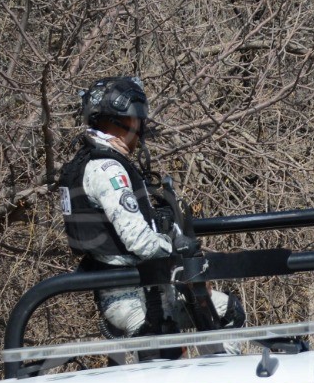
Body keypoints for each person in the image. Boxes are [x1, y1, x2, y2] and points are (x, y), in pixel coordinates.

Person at [57, 75, 240, 340]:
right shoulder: (107, 169)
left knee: (225, 311)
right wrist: (182, 257)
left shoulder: (89, 161)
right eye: (138, 119)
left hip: (139, 286)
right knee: (218, 317)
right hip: (130, 295)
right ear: (127, 120)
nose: (141, 127)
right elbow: (140, 241)